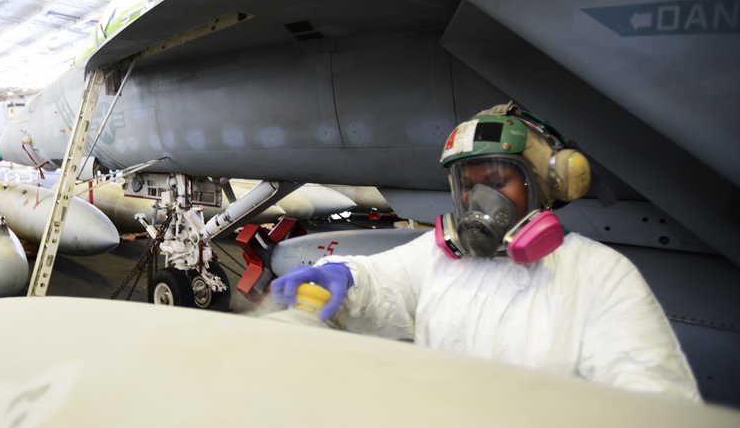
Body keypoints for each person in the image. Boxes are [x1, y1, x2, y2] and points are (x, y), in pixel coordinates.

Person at [271, 102, 701, 402]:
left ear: (545, 184)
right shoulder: (441, 259)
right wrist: (343, 278)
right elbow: (383, 280)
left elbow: (653, 402)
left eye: (497, 183)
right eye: (467, 184)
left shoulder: (599, 275)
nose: (479, 200)